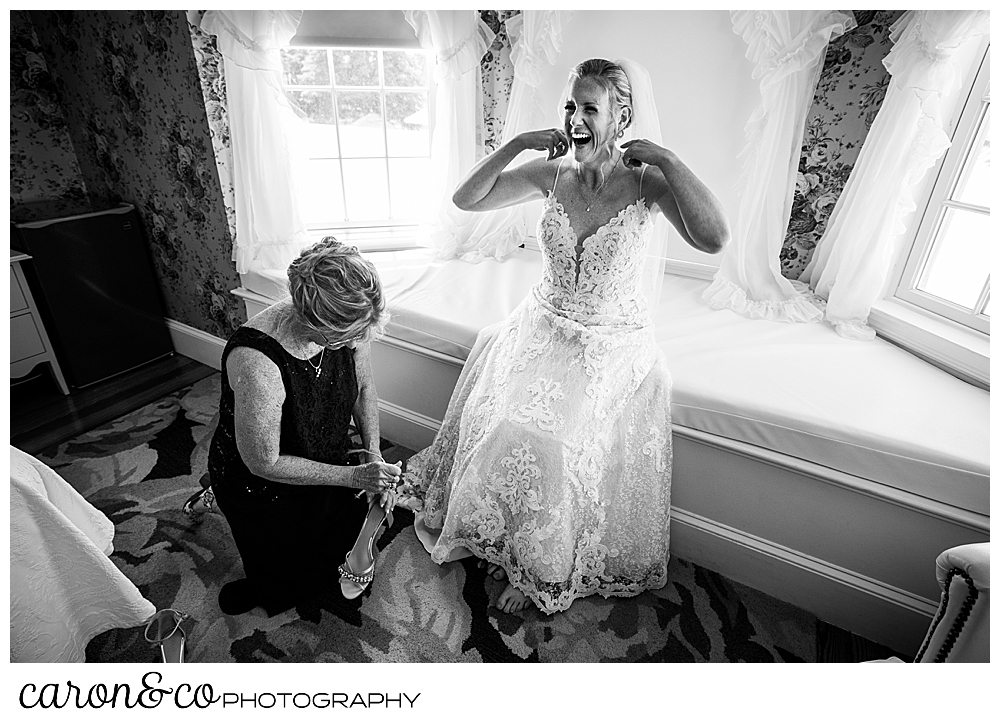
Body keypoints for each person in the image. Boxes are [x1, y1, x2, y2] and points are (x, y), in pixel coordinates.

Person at [403, 58, 730, 614]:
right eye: (569, 107)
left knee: (556, 441)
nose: (575, 118)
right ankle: (493, 532)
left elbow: (714, 238)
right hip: (544, 321)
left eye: (589, 108)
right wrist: (516, 144)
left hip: (610, 337)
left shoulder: (646, 183)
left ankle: (536, 565)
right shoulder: (552, 175)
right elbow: (466, 200)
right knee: (503, 417)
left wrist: (671, 161)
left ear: (620, 117)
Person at [183, 237, 402, 616]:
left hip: (320, 448)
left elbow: (363, 388)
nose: (358, 343)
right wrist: (355, 479)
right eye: (349, 337)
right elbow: (263, 462)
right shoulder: (257, 362)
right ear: (313, 319)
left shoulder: (351, 323)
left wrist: (373, 455)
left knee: (334, 533)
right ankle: (222, 502)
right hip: (259, 477)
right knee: (286, 567)